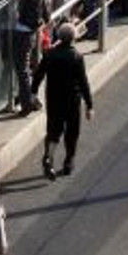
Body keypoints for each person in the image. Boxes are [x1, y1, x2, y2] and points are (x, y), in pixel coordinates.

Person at [32, 23, 94, 180]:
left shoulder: (49, 54)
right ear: (73, 38)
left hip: (53, 98)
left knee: (54, 129)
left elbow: (38, 75)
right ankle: (68, 161)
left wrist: (33, 92)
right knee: (72, 131)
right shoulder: (77, 57)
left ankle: (48, 156)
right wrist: (89, 105)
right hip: (72, 100)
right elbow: (83, 82)